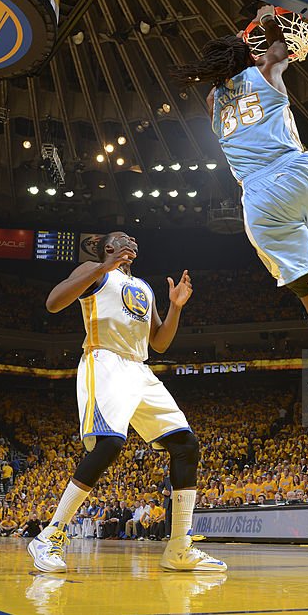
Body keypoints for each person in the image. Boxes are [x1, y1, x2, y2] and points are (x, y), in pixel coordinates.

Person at [29, 232, 225, 573]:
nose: (131, 240)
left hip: (139, 368)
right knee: (109, 444)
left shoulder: (146, 288)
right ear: (108, 247)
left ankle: (179, 546)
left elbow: (160, 343)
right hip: (104, 359)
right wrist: (103, 266)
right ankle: (51, 535)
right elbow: (53, 302)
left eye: (135, 238)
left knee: (185, 443)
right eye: (122, 238)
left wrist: (176, 307)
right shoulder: (94, 270)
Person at [171, 5, 308, 354]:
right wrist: (269, 18)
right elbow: (278, 49)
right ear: (248, 54)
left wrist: (247, 57)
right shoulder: (269, 70)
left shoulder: (212, 101)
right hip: (299, 174)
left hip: (260, 193)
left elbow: (238, 81)